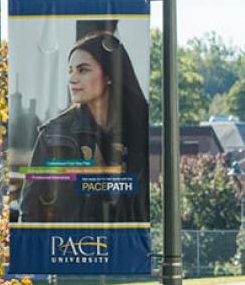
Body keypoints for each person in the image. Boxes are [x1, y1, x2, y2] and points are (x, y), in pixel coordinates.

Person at [18, 31, 149, 223]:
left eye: (83, 70)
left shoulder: (142, 132)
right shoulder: (53, 135)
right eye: (70, 70)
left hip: (127, 249)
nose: (72, 79)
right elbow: (29, 211)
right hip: (67, 249)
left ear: (109, 75)